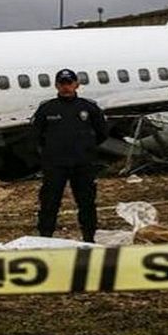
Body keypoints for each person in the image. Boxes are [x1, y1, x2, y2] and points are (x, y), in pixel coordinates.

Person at [31, 68, 108, 242]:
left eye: (69, 83)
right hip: (56, 164)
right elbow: (36, 136)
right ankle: (45, 237)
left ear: (76, 85)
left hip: (82, 164)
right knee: (50, 203)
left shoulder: (88, 107)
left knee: (86, 203)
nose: (66, 87)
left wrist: (87, 148)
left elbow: (102, 133)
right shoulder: (47, 109)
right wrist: (49, 153)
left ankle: (89, 237)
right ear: (56, 85)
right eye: (62, 84)